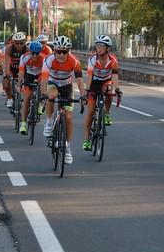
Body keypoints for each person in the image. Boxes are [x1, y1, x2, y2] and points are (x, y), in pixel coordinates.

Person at [40, 35, 86, 164]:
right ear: (54, 51)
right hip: (53, 83)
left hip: (66, 86)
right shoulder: (48, 60)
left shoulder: (74, 61)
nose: (61, 55)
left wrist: (83, 95)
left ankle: (67, 148)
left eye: (64, 52)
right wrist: (43, 94)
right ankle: (49, 122)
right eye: (58, 51)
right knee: (52, 95)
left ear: (68, 52)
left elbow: (79, 80)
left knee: (69, 118)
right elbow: (44, 79)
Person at [82, 34, 123, 151]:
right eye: (97, 45)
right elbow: (89, 75)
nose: (98, 48)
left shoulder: (113, 60)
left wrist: (118, 89)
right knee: (90, 111)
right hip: (94, 82)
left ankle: (106, 113)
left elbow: (114, 75)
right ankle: (86, 139)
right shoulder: (92, 59)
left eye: (102, 46)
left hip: (106, 81)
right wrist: (88, 88)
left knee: (109, 90)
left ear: (108, 48)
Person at [17, 40, 45, 134]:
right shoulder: (24, 58)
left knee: (42, 84)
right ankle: (24, 124)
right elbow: (21, 73)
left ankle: (40, 103)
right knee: (26, 99)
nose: (35, 56)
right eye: (33, 53)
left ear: (40, 53)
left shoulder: (44, 59)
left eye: (37, 54)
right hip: (29, 75)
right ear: (30, 52)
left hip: (40, 75)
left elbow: (46, 75)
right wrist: (20, 84)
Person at [3, 32, 29, 108]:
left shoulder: (27, 49)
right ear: (13, 42)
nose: (19, 45)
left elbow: (28, 64)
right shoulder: (9, 48)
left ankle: (24, 95)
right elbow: (7, 62)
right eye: (17, 43)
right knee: (5, 79)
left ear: (24, 42)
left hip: (22, 69)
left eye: (21, 43)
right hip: (12, 68)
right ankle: (10, 98)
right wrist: (7, 74)